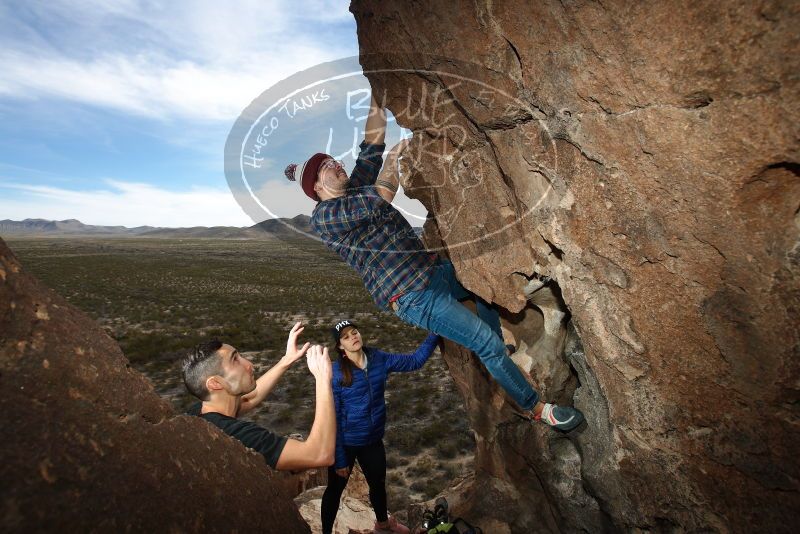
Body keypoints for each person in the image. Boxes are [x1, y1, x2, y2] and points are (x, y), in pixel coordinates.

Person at [284, 91, 584, 432]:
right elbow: (381, 194)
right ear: (316, 187)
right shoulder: (325, 216)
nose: (336, 164)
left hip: (429, 273)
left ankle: (498, 352)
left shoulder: (351, 188)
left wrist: (377, 96)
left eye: (332, 160)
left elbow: (372, 141)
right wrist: (397, 155)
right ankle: (537, 409)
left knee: (484, 286)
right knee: (483, 343)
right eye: (326, 167)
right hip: (412, 296)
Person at [321, 319, 438, 534]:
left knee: (377, 485)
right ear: (340, 346)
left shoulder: (378, 359)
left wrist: (435, 333)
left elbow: (414, 361)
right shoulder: (336, 373)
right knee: (334, 491)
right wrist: (338, 458)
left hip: (372, 440)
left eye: (354, 332)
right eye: (346, 337)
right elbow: (333, 417)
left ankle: (383, 526)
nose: (353, 337)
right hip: (345, 444)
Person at [182, 322, 335, 471]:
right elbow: (319, 454)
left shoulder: (199, 412)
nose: (249, 364)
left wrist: (286, 360)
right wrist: (322, 377)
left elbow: (250, 399)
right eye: (235, 360)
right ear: (215, 383)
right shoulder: (238, 436)